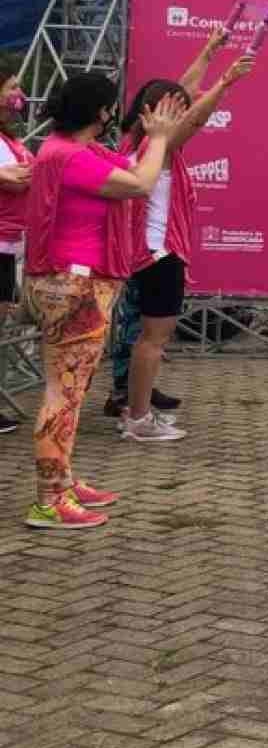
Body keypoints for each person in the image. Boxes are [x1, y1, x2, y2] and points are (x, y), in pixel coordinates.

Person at [20, 73, 184, 529]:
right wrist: (159, 139)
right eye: (111, 106)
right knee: (63, 395)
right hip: (75, 286)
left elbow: (131, 167)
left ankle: (64, 481)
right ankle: (49, 501)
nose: (115, 114)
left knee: (70, 391)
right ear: (99, 112)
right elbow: (139, 183)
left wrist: (158, 133)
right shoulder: (71, 156)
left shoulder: (73, 150)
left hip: (74, 284)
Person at [117, 43, 256, 442]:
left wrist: (209, 52)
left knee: (148, 339)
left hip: (151, 253)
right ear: (155, 113)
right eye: (172, 108)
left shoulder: (138, 137)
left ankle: (134, 409)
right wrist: (227, 81)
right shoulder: (155, 146)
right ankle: (139, 420)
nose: (181, 109)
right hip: (159, 255)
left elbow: (186, 93)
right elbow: (194, 116)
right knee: (153, 340)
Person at [0, 73, 30, 435]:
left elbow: (23, 176)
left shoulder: (11, 138)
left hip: (9, 243)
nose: (20, 94)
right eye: (12, 87)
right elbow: (18, 179)